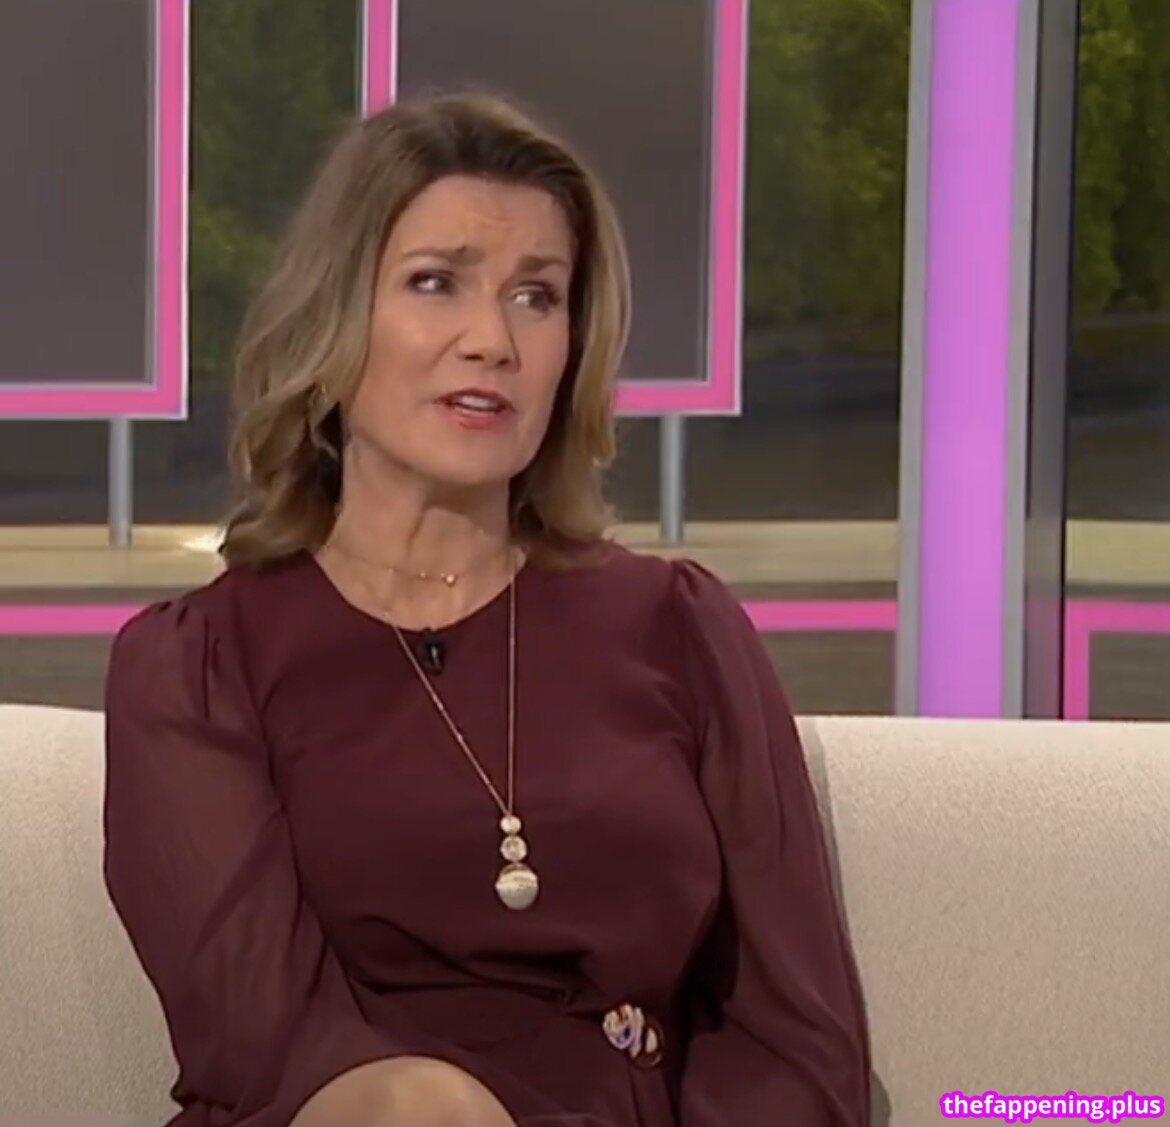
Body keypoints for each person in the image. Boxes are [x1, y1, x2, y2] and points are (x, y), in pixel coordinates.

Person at [102, 91, 872, 1127]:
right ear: (336, 317)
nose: (493, 339)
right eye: (436, 282)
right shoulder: (202, 663)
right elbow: (262, 1038)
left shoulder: (677, 628)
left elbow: (795, 1040)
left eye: (536, 295)